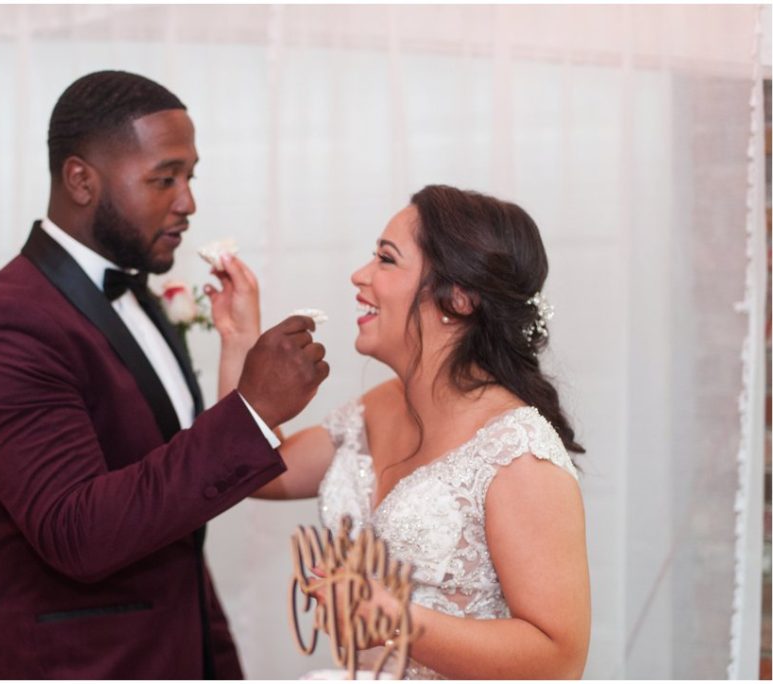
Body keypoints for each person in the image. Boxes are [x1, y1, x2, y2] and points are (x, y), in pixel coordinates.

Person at [0, 70, 329, 679]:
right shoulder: (7, 321)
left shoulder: (139, 293)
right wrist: (254, 410)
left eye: (190, 176)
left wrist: (236, 347)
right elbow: (79, 532)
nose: (188, 202)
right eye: (163, 178)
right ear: (81, 179)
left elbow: (167, 491)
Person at [208, 185, 591, 679]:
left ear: (458, 297)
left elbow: (560, 660)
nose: (360, 275)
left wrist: (394, 619)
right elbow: (257, 472)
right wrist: (238, 337)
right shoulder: (379, 407)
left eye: (386, 260)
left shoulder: (516, 451)